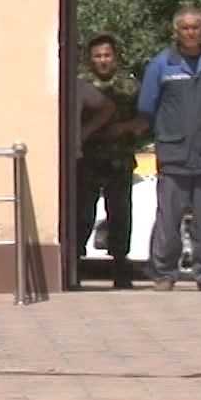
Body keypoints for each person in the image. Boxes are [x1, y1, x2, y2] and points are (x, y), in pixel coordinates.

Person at [137, 6, 201, 291]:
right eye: (185, 28)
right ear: (176, 32)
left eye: (196, 27)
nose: (191, 32)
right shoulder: (161, 65)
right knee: (169, 220)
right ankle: (164, 274)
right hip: (173, 154)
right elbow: (147, 106)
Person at [78, 34, 144, 289]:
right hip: (88, 159)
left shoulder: (129, 86)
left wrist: (124, 128)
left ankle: (120, 266)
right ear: (90, 59)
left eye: (107, 55)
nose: (103, 60)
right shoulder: (80, 84)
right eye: (97, 56)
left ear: (115, 57)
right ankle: (75, 263)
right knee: (83, 214)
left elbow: (144, 120)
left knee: (119, 214)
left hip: (119, 159)